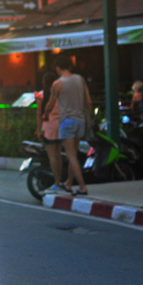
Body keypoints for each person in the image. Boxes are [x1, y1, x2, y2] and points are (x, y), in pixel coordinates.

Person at [42, 53, 91, 195]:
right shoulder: (80, 79)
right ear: (70, 66)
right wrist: (90, 119)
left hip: (67, 121)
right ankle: (69, 183)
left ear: (57, 68)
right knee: (74, 154)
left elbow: (50, 104)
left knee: (71, 156)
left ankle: (82, 187)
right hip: (80, 120)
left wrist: (45, 115)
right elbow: (88, 102)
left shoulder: (57, 84)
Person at [35, 72, 65, 193]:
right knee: (58, 155)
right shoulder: (60, 95)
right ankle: (60, 180)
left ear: (44, 82)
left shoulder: (41, 95)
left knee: (52, 156)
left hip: (48, 127)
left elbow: (39, 114)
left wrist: (38, 129)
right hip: (60, 126)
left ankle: (57, 182)